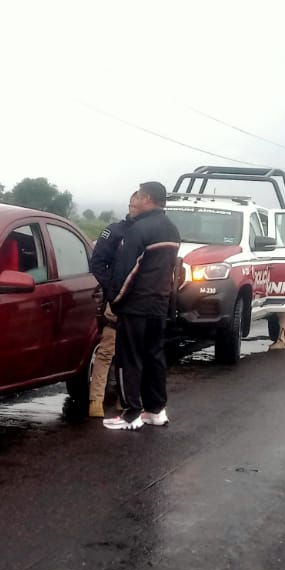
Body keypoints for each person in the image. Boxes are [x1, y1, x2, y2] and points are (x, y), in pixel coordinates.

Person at [105, 181, 182, 430]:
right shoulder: (172, 229)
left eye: (137, 194)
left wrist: (115, 299)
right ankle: (156, 410)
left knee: (130, 358)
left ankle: (131, 413)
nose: (135, 198)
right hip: (159, 304)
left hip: (136, 305)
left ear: (147, 197)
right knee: (154, 356)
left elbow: (127, 270)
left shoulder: (140, 229)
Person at [83, 193, 137, 418]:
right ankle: (96, 399)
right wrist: (113, 290)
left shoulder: (147, 232)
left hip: (139, 301)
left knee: (130, 353)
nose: (135, 209)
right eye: (133, 205)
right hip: (116, 301)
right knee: (107, 350)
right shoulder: (115, 231)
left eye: (138, 206)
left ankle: (122, 398)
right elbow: (97, 264)